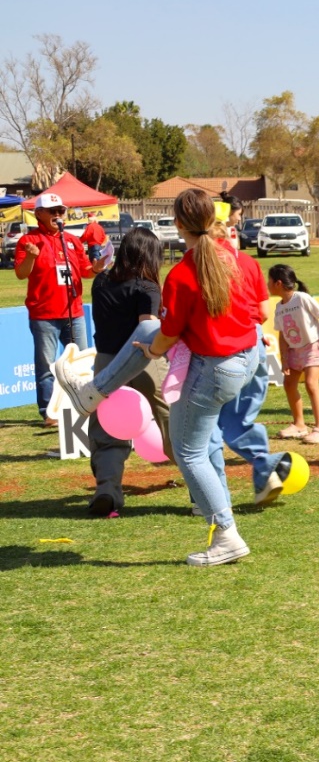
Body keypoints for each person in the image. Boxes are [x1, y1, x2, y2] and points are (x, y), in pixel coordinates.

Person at [57, 189, 269, 565]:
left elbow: (169, 334)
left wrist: (154, 351)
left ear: (178, 225)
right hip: (246, 359)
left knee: (191, 452)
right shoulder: (243, 262)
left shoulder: (183, 274)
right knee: (200, 443)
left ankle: (227, 534)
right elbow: (260, 314)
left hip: (215, 368)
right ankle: (91, 393)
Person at [84, 227, 168, 517]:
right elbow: (148, 326)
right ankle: (200, 492)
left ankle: (107, 488)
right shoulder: (147, 287)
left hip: (106, 362)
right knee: (172, 420)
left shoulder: (101, 281)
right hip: (142, 359)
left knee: (106, 430)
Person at [14, 192, 104, 426]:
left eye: (60, 211)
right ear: (39, 214)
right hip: (44, 314)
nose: (57, 215)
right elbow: (21, 274)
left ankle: (87, 405)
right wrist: (31, 258)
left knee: (83, 362)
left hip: (74, 312)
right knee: (46, 364)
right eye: (52, 211)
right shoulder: (28, 241)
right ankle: (48, 411)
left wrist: (97, 268)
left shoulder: (72, 240)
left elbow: (85, 270)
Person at [270, 263, 319, 445]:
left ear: (278, 283)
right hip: (294, 350)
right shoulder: (279, 307)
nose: (267, 285)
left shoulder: (302, 298)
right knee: (289, 384)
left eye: (269, 281)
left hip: (312, 346)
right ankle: (299, 425)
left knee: (310, 384)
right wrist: (283, 359)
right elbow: (282, 334)